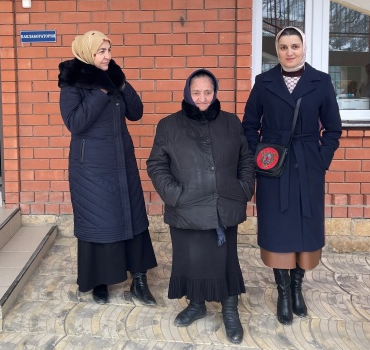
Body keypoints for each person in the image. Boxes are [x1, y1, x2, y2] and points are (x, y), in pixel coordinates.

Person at [242, 26, 342, 326]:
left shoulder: (321, 81)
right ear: (277, 50)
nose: (289, 52)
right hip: (273, 166)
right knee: (277, 227)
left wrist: (320, 160)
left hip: (308, 164)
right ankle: (283, 292)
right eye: (283, 47)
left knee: (305, 226)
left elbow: (333, 128)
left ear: (304, 47)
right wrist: (260, 154)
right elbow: (249, 125)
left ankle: (297, 287)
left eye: (294, 46)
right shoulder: (263, 82)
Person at [147, 69, 254, 344]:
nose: (202, 98)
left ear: (215, 93)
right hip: (185, 207)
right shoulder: (169, 125)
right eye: (196, 93)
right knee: (190, 259)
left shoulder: (231, 122)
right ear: (187, 93)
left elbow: (246, 158)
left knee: (226, 261)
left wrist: (244, 188)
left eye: (208, 92)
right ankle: (196, 304)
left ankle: (230, 310)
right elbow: (156, 164)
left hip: (224, 205)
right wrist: (174, 195)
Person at [58, 30, 157, 306]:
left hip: (121, 162)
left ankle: (139, 279)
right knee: (97, 219)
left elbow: (136, 113)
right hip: (90, 167)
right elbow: (75, 123)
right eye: (101, 51)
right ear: (87, 52)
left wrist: (120, 82)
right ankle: (99, 280)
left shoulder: (113, 76)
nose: (107, 56)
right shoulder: (72, 82)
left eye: (109, 50)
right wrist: (100, 90)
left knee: (132, 216)